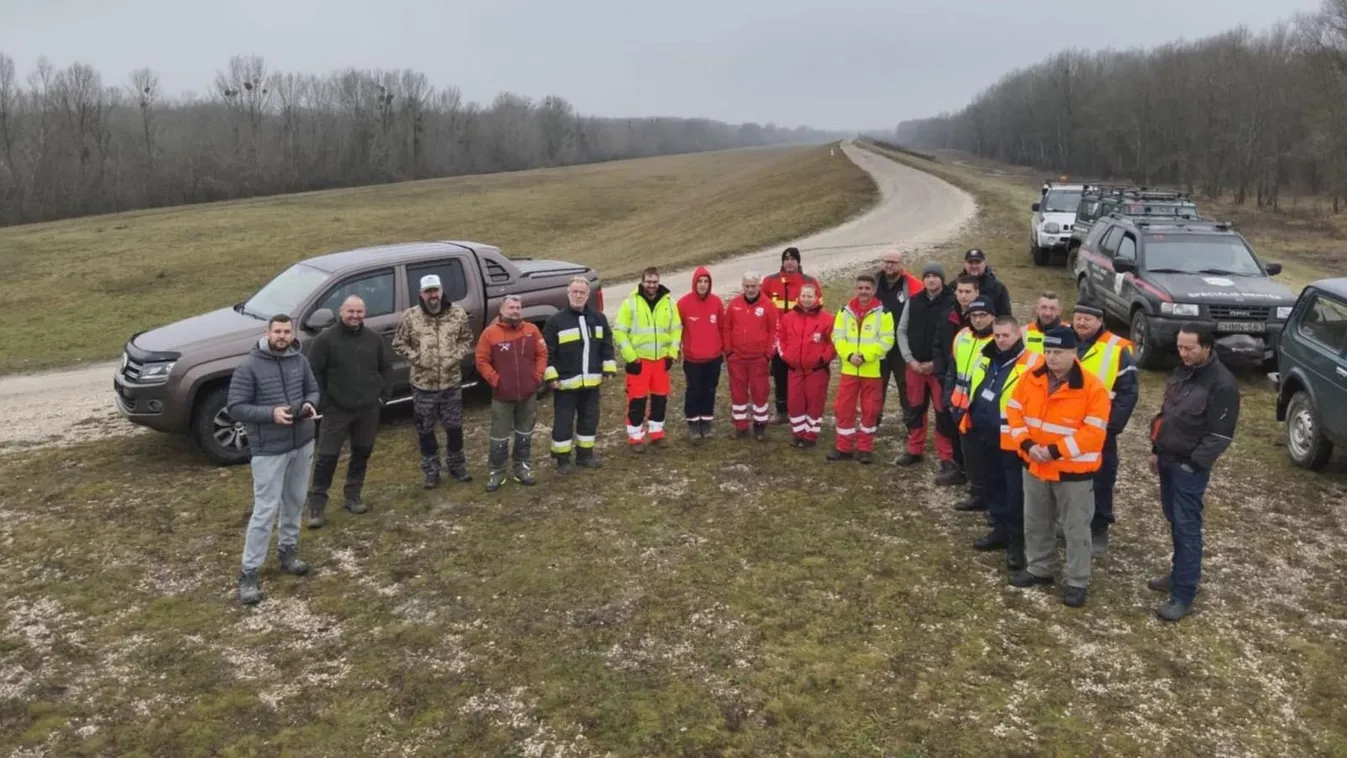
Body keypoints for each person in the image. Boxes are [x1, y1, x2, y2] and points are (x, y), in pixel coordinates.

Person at [1005, 326, 1112, 608]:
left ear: (1073, 353)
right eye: (1048, 351)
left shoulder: (1093, 387)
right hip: (1035, 465)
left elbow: (1094, 433)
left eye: (1058, 352)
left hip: (1073, 473)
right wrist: (1027, 445)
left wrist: (1053, 451)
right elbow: (1013, 410)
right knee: (1036, 521)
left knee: (1076, 529)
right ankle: (1040, 568)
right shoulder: (1031, 377)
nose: (1051, 357)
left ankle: (1077, 580)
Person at [1147, 323, 1240, 622]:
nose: (1184, 353)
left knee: (1187, 527)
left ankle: (1184, 592)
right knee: (1174, 519)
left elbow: (1220, 436)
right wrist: (1156, 449)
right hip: (1167, 459)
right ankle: (1177, 574)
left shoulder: (1222, 384)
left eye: (1190, 348)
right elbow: (1168, 413)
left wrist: (1193, 464)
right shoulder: (1182, 371)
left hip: (1188, 468)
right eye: (1180, 347)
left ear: (1207, 347)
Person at [229, 314, 320, 606]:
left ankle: (288, 551)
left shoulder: (299, 360)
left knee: (295, 500)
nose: (282, 336)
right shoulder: (249, 367)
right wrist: (271, 414)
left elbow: (314, 390)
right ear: (267, 333)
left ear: (292, 333)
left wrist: (309, 404)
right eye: (277, 331)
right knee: (265, 510)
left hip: (302, 442)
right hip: (269, 449)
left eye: (286, 331)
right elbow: (236, 407)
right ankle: (249, 572)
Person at [302, 295, 394, 528]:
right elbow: (313, 373)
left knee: (362, 452)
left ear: (365, 314)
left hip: (368, 409)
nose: (355, 316)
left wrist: (383, 396)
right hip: (337, 410)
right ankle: (316, 504)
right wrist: (323, 402)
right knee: (326, 457)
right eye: (351, 311)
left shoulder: (373, 339)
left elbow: (387, 367)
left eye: (359, 312)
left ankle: (353, 495)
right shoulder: (325, 340)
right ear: (341, 312)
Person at [960, 315, 1039, 570]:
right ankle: (999, 530)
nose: (1002, 340)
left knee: (1014, 492)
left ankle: (1017, 544)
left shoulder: (1032, 363)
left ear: (1018, 335)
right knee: (993, 486)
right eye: (998, 335)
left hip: (1014, 439)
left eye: (1007, 335)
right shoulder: (986, 356)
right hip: (985, 432)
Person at [392, 274, 475, 489]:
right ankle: (431, 471)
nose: (432, 295)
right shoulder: (410, 316)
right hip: (423, 385)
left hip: (451, 383)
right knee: (426, 430)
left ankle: (457, 466)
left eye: (435, 290)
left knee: (454, 428)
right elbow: (398, 343)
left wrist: (456, 356)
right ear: (421, 294)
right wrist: (417, 358)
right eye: (428, 291)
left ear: (441, 290)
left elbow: (466, 338)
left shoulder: (457, 314)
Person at [1071, 297, 1139, 556]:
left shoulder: (1117, 348)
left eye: (1088, 318)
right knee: (1071, 477)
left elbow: (1129, 392)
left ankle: (1099, 527)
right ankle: (1072, 523)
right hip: (1067, 426)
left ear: (1100, 320)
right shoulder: (1067, 342)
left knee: (1101, 478)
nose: (1082, 322)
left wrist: (1111, 428)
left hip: (1100, 430)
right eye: (1078, 317)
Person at [475, 295, 548, 492]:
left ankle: (522, 467)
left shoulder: (531, 331)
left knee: (524, 431)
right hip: (502, 396)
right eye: (511, 308)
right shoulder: (490, 334)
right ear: (502, 310)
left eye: (518, 308)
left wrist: (537, 376)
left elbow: (542, 354)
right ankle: (497, 471)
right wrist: (495, 380)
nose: (515, 311)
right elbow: (481, 360)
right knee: (499, 435)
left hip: (527, 393)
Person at [543, 277, 616, 472]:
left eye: (582, 293)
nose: (578, 296)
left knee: (589, 419)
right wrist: (551, 377)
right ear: (568, 294)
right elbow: (546, 353)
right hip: (565, 385)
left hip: (591, 383)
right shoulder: (555, 321)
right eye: (574, 292)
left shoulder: (598, 318)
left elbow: (607, 344)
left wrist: (609, 367)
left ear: (587, 295)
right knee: (564, 422)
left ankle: (585, 455)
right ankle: (562, 459)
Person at [613, 266, 683, 452]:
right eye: (648, 282)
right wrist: (631, 356)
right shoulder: (631, 303)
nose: (651, 285)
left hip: (661, 360)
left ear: (658, 282)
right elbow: (619, 330)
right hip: (639, 361)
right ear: (642, 282)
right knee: (637, 399)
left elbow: (676, 329)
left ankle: (657, 433)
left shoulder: (669, 303)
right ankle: (635, 437)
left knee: (660, 398)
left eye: (654, 282)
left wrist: (672, 353)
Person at [895, 262, 957, 468]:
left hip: (939, 369)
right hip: (914, 367)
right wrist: (909, 359)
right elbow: (901, 330)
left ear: (942, 279)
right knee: (915, 409)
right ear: (923, 280)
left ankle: (947, 455)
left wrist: (937, 363)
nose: (931, 280)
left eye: (935, 276)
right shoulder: (913, 301)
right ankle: (914, 449)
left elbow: (957, 337)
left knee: (942, 411)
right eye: (927, 276)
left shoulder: (952, 302)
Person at [828, 273, 894, 464]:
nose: (863, 292)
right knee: (843, 408)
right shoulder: (844, 312)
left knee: (870, 410)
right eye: (860, 288)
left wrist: (865, 356)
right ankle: (844, 447)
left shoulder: (885, 313)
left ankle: (865, 448)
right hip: (849, 369)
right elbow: (837, 337)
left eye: (867, 288)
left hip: (871, 370)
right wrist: (849, 355)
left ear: (873, 290)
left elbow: (887, 340)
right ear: (855, 289)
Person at [945, 298, 998, 512]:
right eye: (974, 316)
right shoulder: (962, 337)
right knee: (970, 452)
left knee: (989, 455)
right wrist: (949, 397)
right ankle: (977, 493)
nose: (977, 320)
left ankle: (991, 497)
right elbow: (953, 369)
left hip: (984, 408)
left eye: (983, 315)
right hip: (960, 406)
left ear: (993, 316)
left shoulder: (999, 341)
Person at [761, 247, 822, 424]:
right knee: (779, 374)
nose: (789, 262)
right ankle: (781, 410)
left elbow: (818, 310)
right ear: (782, 262)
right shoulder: (770, 282)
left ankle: (800, 409)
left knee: (801, 376)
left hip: (801, 337)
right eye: (786, 259)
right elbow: (762, 307)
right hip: (778, 338)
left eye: (793, 259)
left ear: (798, 262)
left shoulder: (809, 282)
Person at [932, 273, 980, 486]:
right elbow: (938, 345)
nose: (963, 296)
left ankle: (976, 477)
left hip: (974, 385)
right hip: (951, 381)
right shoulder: (947, 315)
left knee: (973, 431)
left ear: (976, 293)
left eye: (968, 292)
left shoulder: (981, 318)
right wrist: (941, 374)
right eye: (960, 291)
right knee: (952, 424)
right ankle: (958, 469)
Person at [776, 282, 834, 448]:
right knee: (795, 403)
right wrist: (785, 355)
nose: (806, 299)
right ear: (798, 297)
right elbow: (780, 338)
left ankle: (811, 434)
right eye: (804, 296)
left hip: (816, 370)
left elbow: (834, 343)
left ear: (817, 297)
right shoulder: (788, 318)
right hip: (794, 370)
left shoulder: (827, 319)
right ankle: (798, 433)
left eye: (810, 296)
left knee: (815, 403)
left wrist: (824, 358)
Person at [723, 271, 779, 441]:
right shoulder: (734, 304)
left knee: (760, 392)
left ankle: (760, 426)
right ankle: (740, 426)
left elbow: (774, 331)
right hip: (737, 358)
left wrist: (767, 354)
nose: (750, 289)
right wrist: (729, 351)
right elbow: (727, 328)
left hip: (758, 359)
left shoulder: (768, 305)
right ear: (742, 286)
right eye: (747, 286)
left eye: (753, 286)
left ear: (759, 286)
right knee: (738, 393)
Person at [676, 266, 725, 441]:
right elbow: (676, 330)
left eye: (706, 281)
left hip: (713, 357)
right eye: (700, 281)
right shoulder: (683, 303)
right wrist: (676, 349)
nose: (703, 285)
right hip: (693, 358)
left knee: (709, 389)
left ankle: (706, 420)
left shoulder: (717, 302)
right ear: (694, 283)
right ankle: (693, 423)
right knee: (694, 390)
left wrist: (724, 349)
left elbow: (722, 327)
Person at [875, 248, 923, 427]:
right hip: (878, 344)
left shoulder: (912, 284)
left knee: (906, 386)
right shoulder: (874, 282)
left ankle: (911, 423)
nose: (889, 265)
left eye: (893, 262)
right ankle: (872, 421)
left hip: (902, 345)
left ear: (900, 264)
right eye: (886, 261)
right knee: (877, 385)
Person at [960, 248, 1013, 317]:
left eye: (977, 262)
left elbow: (1005, 316)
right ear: (965, 264)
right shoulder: (955, 285)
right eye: (970, 262)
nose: (974, 266)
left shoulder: (998, 288)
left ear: (984, 263)